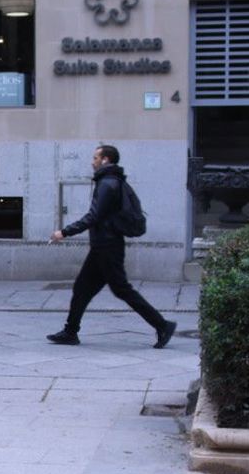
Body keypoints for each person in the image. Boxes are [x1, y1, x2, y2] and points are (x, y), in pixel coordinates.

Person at [47, 144, 177, 348]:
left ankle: (162, 325)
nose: (92, 162)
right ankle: (70, 332)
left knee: (122, 289)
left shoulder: (108, 184)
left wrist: (64, 232)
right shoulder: (111, 181)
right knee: (82, 288)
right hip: (102, 246)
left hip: (107, 247)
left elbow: (94, 216)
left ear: (105, 159)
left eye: (95, 158)